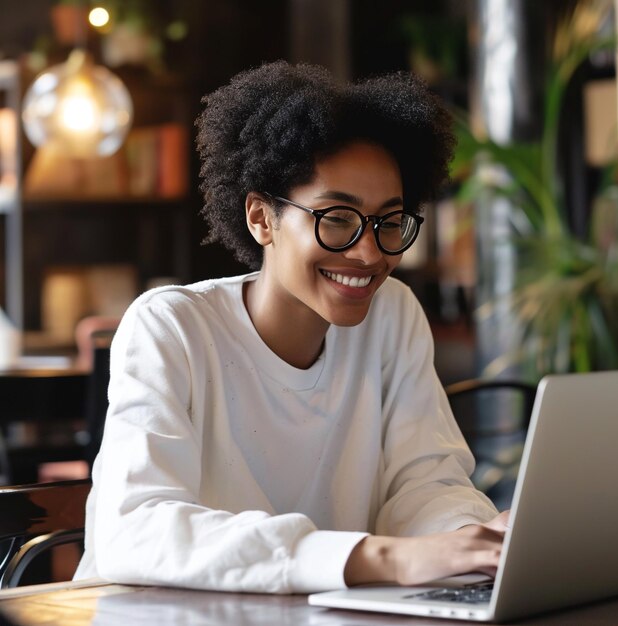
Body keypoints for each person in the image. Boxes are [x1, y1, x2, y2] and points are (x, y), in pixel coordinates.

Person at [74, 60, 507, 593]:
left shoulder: (392, 315)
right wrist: (385, 559)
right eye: (337, 218)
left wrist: (472, 538)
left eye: (389, 222)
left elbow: (425, 481)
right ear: (261, 218)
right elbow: (135, 529)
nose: (369, 252)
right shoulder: (172, 327)